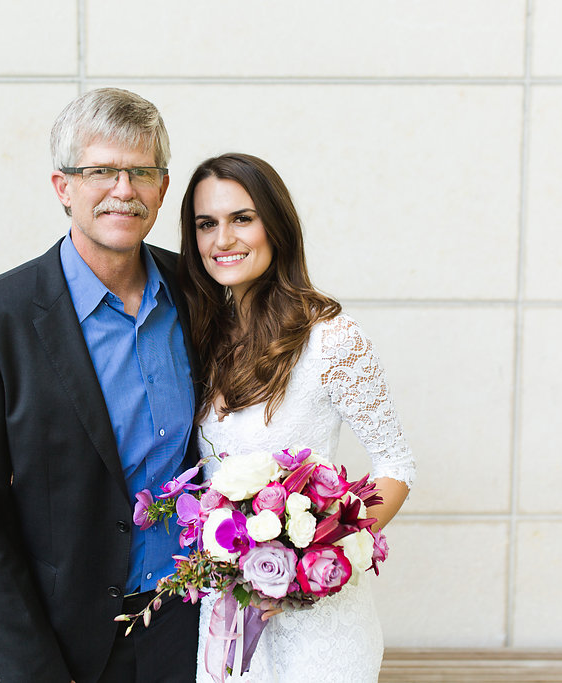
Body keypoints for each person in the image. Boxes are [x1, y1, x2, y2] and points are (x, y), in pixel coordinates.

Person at [0, 88, 201, 683]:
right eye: (102, 171)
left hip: (188, 630)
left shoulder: (200, 295)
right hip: (61, 646)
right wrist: (32, 666)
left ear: (162, 188)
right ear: (63, 187)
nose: (123, 189)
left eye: (141, 171)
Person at [176, 153, 417, 682]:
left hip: (319, 628)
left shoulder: (328, 335)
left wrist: (319, 563)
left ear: (276, 225)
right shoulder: (200, 335)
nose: (223, 240)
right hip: (226, 616)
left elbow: (395, 464)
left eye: (242, 218)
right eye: (206, 224)